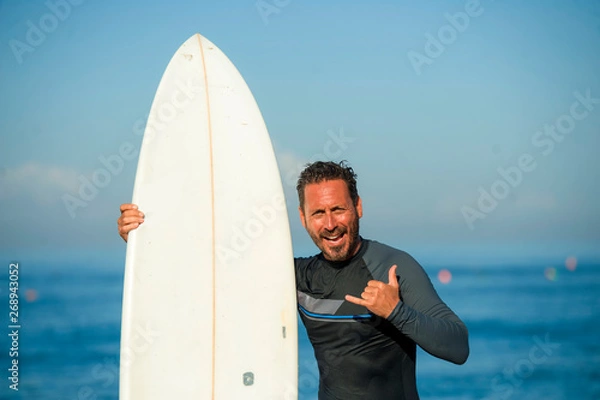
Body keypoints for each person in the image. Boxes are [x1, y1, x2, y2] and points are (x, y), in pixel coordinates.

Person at [117, 161, 469, 400]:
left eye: (338, 209)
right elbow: (212, 270)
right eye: (318, 213)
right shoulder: (298, 277)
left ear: (358, 207)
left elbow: (458, 347)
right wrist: (146, 239)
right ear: (302, 218)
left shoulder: (392, 266)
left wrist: (396, 312)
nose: (330, 224)